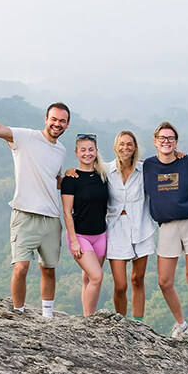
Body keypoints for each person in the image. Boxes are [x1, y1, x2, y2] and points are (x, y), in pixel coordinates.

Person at [0, 101, 71, 318]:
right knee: (21, 267)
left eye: (62, 121)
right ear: (46, 119)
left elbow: (54, 179)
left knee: (48, 268)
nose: (57, 124)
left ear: (67, 125)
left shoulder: (60, 150)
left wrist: (76, 179)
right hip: (24, 214)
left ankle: (47, 316)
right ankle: (18, 313)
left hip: (51, 218)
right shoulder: (26, 137)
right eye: (53, 119)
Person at [143, 122, 188, 338]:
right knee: (164, 281)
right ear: (155, 141)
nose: (166, 141)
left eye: (170, 138)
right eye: (162, 138)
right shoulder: (148, 166)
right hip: (167, 226)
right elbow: (123, 165)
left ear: (176, 142)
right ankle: (181, 323)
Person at [104, 131, 156, 321]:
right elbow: (86, 174)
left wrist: (179, 155)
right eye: (122, 144)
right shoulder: (106, 170)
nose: (125, 148)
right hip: (116, 229)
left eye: (129, 144)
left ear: (135, 147)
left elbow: (166, 164)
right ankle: (121, 322)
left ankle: (138, 322)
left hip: (141, 227)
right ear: (116, 146)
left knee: (137, 279)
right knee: (120, 285)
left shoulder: (145, 170)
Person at [61, 134, 109, 316]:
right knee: (97, 277)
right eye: (83, 150)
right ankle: (89, 320)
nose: (87, 153)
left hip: (100, 235)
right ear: (76, 152)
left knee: (89, 277)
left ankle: (87, 313)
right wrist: (74, 241)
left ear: (96, 152)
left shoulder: (103, 175)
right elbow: (67, 212)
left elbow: (126, 166)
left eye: (91, 149)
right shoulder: (71, 179)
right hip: (80, 236)